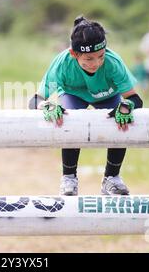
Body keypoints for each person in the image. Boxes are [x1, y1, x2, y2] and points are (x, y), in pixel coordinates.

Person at [29, 16, 143, 196]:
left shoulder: (113, 63)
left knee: (122, 120)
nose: (96, 63)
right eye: (89, 59)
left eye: (100, 56)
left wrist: (126, 106)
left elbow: (135, 99)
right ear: (74, 54)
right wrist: (46, 105)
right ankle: (69, 178)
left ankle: (112, 178)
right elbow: (35, 100)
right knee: (68, 119)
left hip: (108, 95)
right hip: (73, 95)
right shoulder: (62, 64)